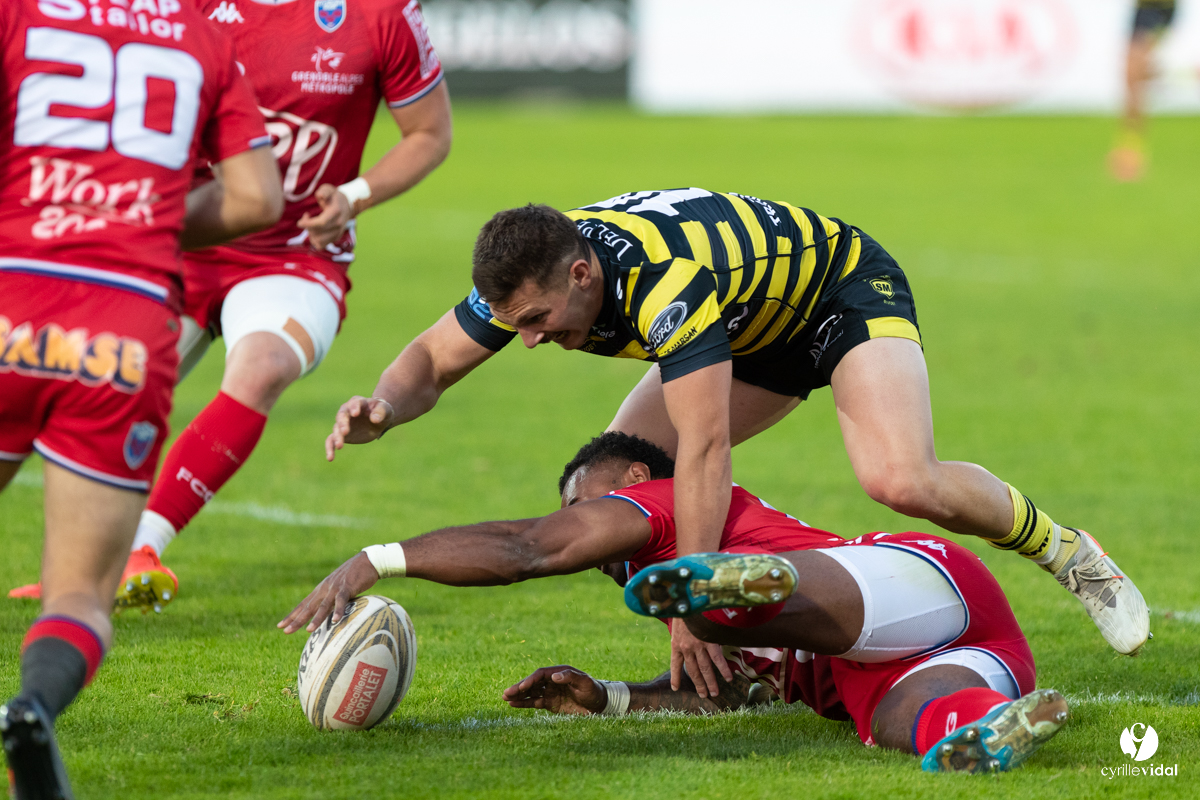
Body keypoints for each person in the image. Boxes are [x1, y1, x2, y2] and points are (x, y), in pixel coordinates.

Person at [321, 189, 1150, 681]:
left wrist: (691, 599)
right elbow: (431, 360)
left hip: (837, 293)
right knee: (603, 492)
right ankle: (751, 660)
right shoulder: (533, 267)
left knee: (900, 478)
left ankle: (1071, 555)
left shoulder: (664, 285)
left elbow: (704, 446)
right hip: (748, 324)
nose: (530, 341)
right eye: (517, 326)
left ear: (581, 274)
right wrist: (383, 408)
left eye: (539, 321)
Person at [7, 0, 453, 613]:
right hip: (174, 239)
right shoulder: (174, 9)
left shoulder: (382, 12)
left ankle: (140, 549)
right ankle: (80, 569)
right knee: (71, 378)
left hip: (296, 256)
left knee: (264, 364)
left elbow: (430, 132)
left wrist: (354, 196)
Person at [280, 432, 1069, 773]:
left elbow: (530, 548)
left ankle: (733, 593)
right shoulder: (660, 586)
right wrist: (609, 697)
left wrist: (379, 559)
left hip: (896, 583)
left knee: (727, 604)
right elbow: (729, 696)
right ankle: (993, 723)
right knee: (908, 729)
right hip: (953, 654)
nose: (586, 533)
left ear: (632, 482)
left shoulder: (660, 502)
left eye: (586, 506)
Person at [0, 0, 283, 794]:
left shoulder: (20, 15)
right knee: (82, 596)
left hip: (13, 294)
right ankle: (33, 708)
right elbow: (258, 199)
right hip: (124, 328)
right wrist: (138, 220)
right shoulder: (202, 35)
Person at [1109, 0, 1177, 181]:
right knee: (1133, 76)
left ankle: (1131, 151)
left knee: (1135, 73)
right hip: (1143, 10)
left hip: (1160, 9)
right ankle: (1130, 147)